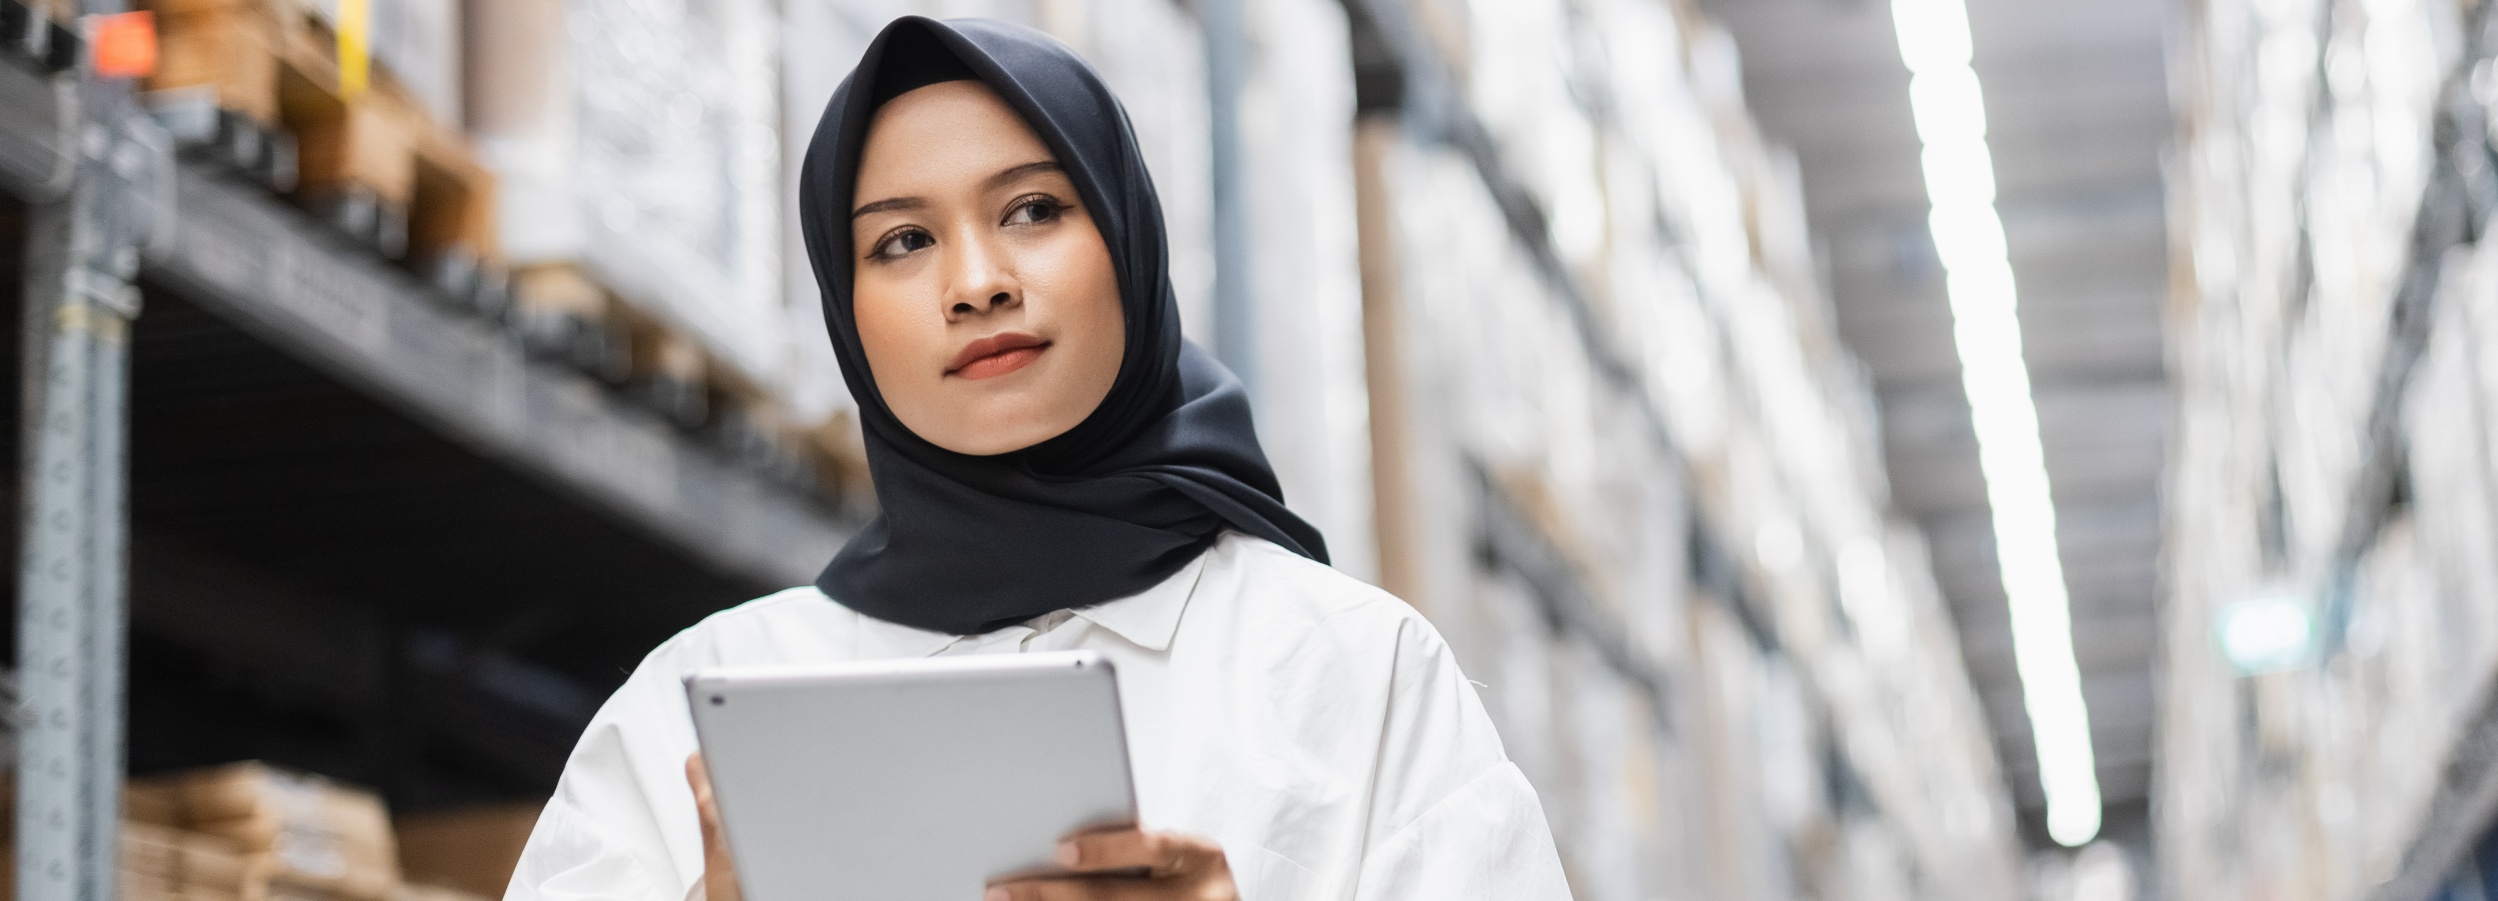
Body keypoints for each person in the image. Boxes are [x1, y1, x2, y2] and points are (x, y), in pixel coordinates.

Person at [504, 16, 1570, 901]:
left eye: (1032, 209)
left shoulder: (1353, 673)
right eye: (901, 241)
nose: (975, 281)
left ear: (1127, 239)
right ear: (847, 309)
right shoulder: (696, 707)